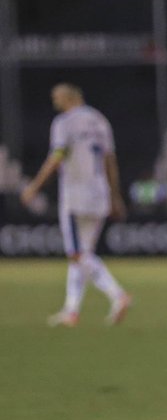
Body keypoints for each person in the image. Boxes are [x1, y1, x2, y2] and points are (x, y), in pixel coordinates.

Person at [21, 83, 131, 327]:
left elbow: (57, 156)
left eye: (56, 97)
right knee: (82, 256)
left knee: (78, 255)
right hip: (99, 193)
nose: (54, 101)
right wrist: (115, 196)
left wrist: (35, 187)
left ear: (68, 97)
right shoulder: (100, 121)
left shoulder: (63, 123)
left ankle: (118, 295)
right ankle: (71, 310)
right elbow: (110, 161)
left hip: (75, 195)